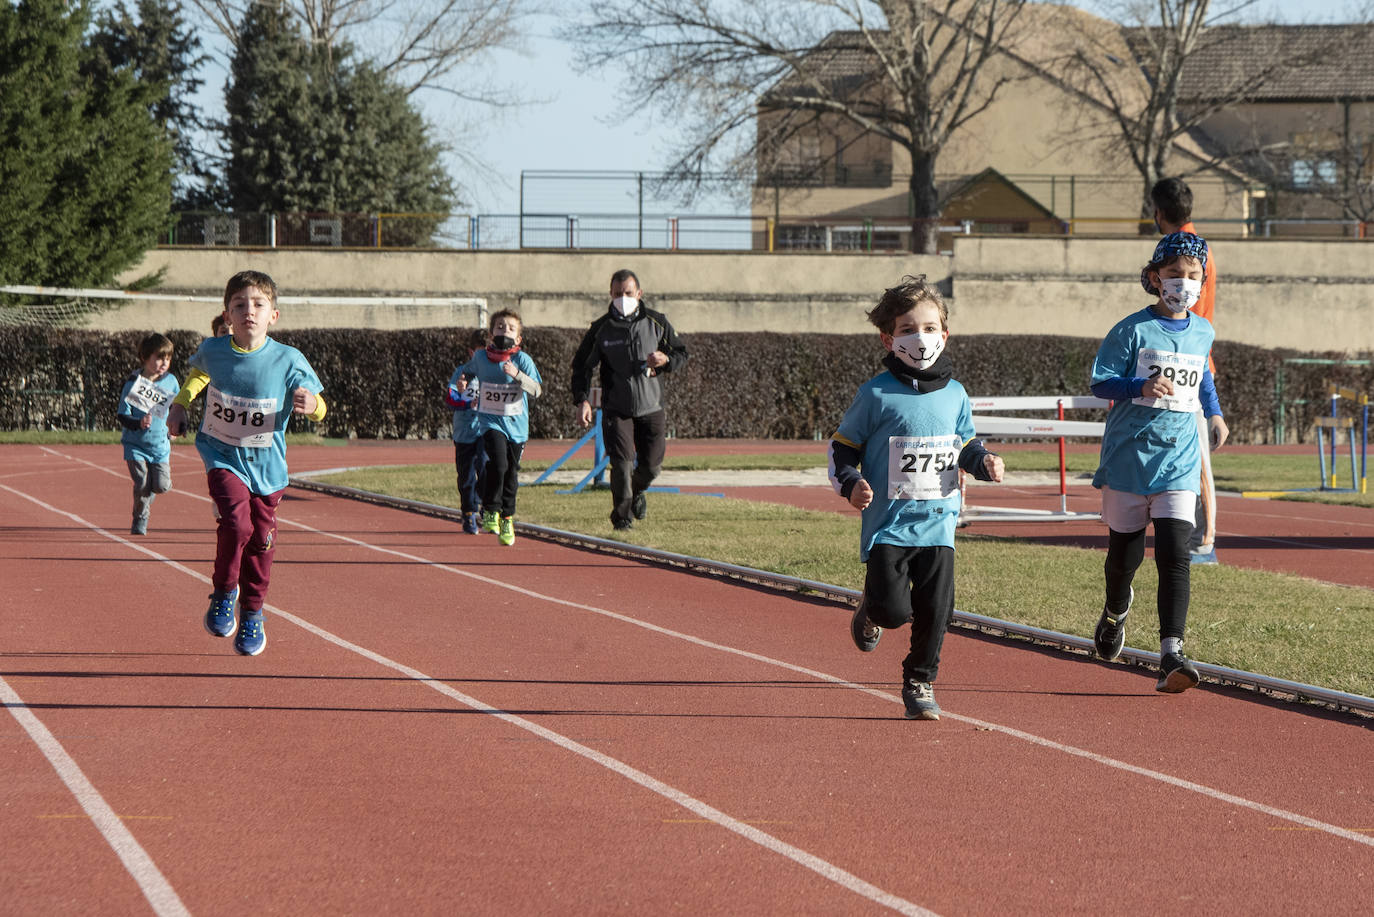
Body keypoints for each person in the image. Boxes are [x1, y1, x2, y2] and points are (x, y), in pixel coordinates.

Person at [828, 276, 1005, 720]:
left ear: (944, 336)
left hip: (939, 523)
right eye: (908, 329)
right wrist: (851, 485)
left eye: (929, 328)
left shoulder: (956, 393)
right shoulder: (875, 393)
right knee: (892, 613)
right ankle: (871, 606)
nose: (919, 338)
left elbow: (964, 443)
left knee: (937, 610)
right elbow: (842, 449)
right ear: (889, 338)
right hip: (889, 524)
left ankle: (919, 680)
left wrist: (983, 463)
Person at [1089, 232, 1229, 693]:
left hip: (1179, 460)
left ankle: (1172, 652)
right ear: (1155, 278)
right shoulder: (1131, 330)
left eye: (1192, 277)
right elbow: (1100, 382)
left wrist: (1215, 413)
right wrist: (1138, 386)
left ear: (1201, 283)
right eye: (1174, 275)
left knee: (1175, 554)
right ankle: (1115, 612)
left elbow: (1203, 376)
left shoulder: (1203, 330)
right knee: (1123, 560)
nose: (1183, 284)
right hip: (1130, 459)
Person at [166, 270, 326, 657]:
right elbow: (200, 374)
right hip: (222, 455)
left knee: (260, 541)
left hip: (268, 468)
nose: (248, 311)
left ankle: (252, 612)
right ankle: (223, 593)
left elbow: (321, 408)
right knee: (236, 524)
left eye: (258, 304)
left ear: (274, 315)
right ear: (227, 315)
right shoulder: (214, 349)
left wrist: (314, 406)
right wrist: (180, 404)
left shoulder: (290, 360)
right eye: (239, 305)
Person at [570, 269, 688, 531]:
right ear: (610, 295)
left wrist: (666, 360)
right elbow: (581, 367)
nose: (623, 298)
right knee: (621, 465)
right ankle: (622, 519)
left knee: (651, 467)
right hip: (617, 408)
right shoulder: (601, 329)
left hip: (652, 406)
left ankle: (637, 491)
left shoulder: (657, 322)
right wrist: (583, 400)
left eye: (628, 293)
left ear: (639, 294)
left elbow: (681, 353)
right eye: (617, 294)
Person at [1151, 177, 1220, 563]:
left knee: (1196, 457)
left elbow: (1188, 311)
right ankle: (1186, 532)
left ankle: (1204, 539)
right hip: (1172, 361)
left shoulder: (1193, 250)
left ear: (1159, 212)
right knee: (1177, 456)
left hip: (1191, 362)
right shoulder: (1181, 247)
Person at [453, 310, 542, 546]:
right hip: (490, 422)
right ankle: (491, 509)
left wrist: (518, 376)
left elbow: (537, 390)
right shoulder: (481, 358)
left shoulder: (523, 361)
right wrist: (462, 381)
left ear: (519, 338)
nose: (505, 331)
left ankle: (507, 518)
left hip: (517, 428)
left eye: (511, 328)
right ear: (492, 333)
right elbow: (468, 372)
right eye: (500, 327)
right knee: (498, 463)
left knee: (511, 473)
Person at [116, 333, 180, 535]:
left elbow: (178, 406)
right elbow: (122, 415)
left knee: (160, 486)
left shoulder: (171, 381)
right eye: (159, 358)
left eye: (168, 359)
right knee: (142, 482)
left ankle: (147, 495)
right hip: (135, 445)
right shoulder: (133, 383)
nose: (164, 363)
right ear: (145, 358)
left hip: (160, 446)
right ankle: (140, 519)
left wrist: (177, 427)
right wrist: (138, 422)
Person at [445, 328, 490, 534]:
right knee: (466, 476)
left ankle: (485, 505)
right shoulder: (461, 372)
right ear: (471, 352)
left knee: (485, 465)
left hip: (485, 429)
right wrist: (463, 398)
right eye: (480, 352)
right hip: (464, 433)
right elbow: (450, 399)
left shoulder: (492, 371)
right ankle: (469, 512)